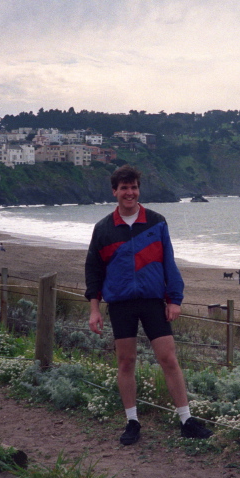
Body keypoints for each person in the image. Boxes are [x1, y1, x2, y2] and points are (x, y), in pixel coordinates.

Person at [85, 165, 212, 445]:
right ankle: (132, 421)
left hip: (153, 301)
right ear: (115, 191)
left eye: (134, 187)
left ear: (138, 190)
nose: (129, 193)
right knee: (126, 362)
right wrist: (94, 309)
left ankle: (186, 420)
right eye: (124, 188)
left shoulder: (157, 222)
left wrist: (174, 300)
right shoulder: (103, 229)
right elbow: (93, 271)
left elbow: (169, 262)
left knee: (168, 359)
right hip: (120, 304)